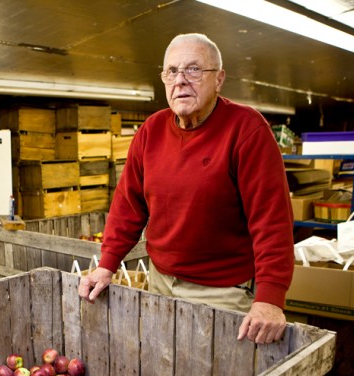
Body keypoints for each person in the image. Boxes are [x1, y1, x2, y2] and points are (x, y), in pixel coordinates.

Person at [78, 33, 294, 344]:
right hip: (161, 283)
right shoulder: (150, 131)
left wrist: (270, 299)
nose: (180, 80)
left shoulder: (247, 130)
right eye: (172, 71)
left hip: (224, 294)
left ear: (219, 79)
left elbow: (272, 221)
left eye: (194, 70)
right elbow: (128, 206)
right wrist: (106, 265)